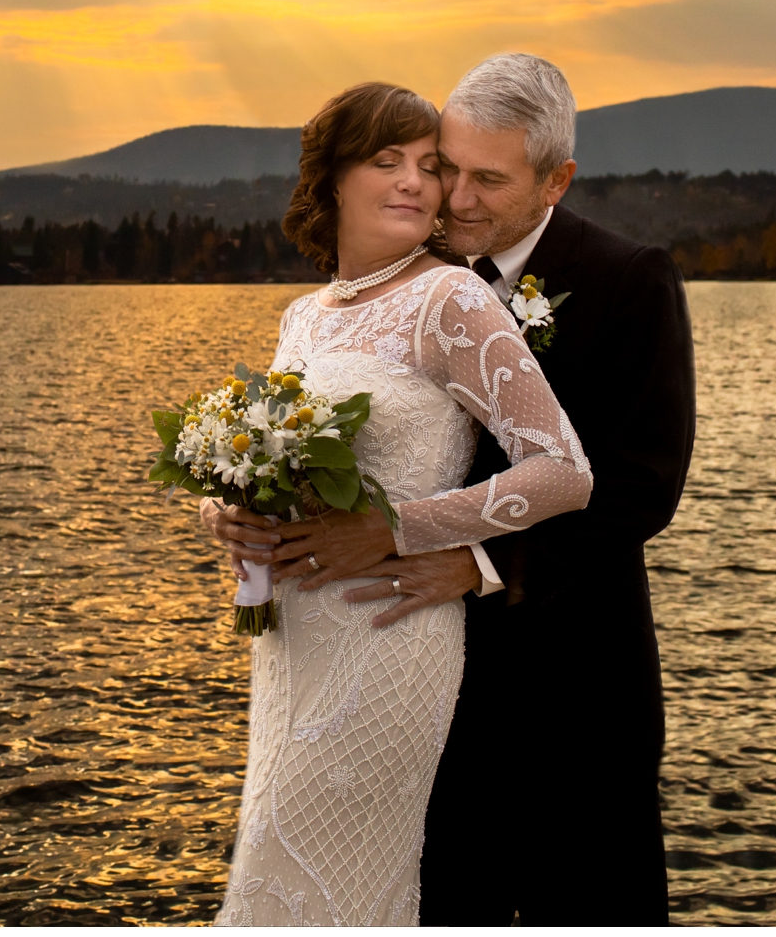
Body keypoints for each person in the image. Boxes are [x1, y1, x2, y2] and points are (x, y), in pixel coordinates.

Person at [208, 53, 696, 925]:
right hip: (406, 654)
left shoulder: (628, 277)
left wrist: (475, 561)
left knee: (591, 905)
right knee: (436, 893)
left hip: (567, 666)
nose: (455, 196)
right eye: (446, 166)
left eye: (485, 178)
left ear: (557, 180)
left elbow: (640, 487)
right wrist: (238, 505)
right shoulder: (387, 284)